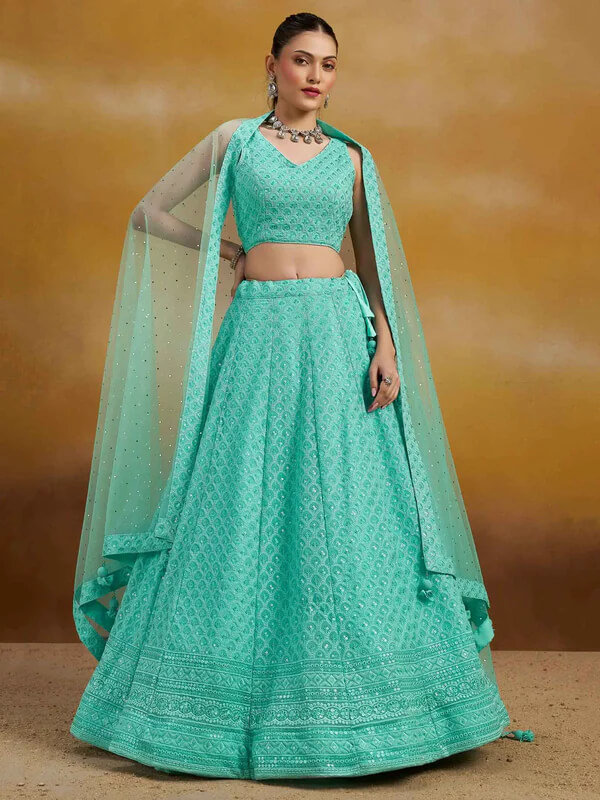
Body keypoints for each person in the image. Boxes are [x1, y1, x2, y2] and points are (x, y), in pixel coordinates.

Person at [69, 12, 533, 780]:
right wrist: (222, 248)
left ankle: (372, 713)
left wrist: (385, 342)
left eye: (328, 63)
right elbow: (148, 211)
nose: (316, 76)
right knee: (237, 501)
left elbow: (371, 260)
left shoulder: (352, 160)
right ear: (272, 65)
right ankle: (225, 706)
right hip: (257, 334)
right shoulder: (235, 141)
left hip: (335, 337)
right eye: (302, 60)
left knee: (341, 504)